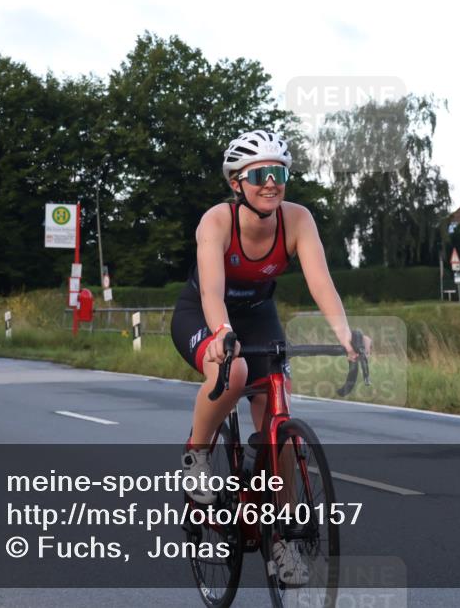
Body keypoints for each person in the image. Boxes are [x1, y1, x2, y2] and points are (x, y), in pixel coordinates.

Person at [170, 129, 369, 582]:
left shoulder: (297, 220)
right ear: (237, 182)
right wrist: (222, 334)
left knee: (279, 415)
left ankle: (280, 540)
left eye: (278, 172)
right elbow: (214, 291)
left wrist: (344, 333)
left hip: (259, 314)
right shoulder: (216, 222)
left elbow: (322, 282)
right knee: (234, 370)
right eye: (259, 174)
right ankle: (197, 455)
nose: (270, 183)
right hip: (204, 311)